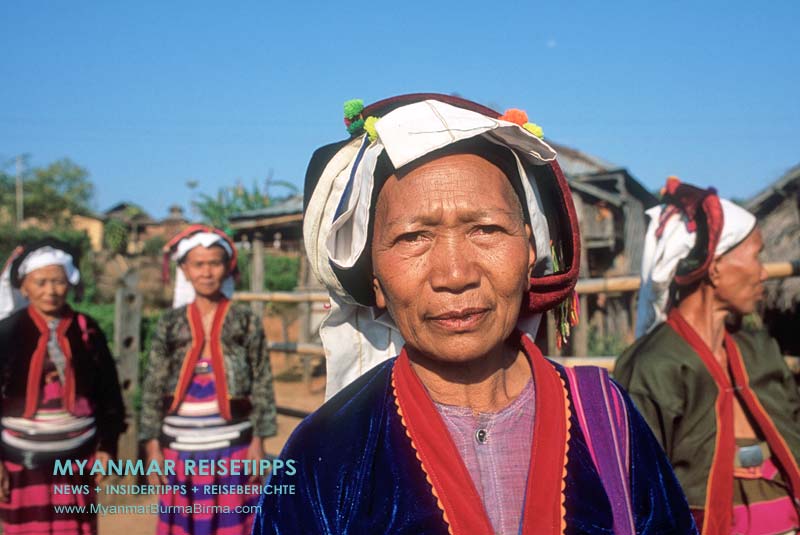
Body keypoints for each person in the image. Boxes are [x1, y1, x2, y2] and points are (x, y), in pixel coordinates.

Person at [252, 94, 696, 534]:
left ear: (528, 254)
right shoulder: (329, 447)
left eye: (486, 229)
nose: (455, 274)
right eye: (413, 238)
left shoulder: (604, 414)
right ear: (374, 280)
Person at [615, 178, 800, 534]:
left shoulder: (759, 349)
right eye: (757, 256)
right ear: (714, 268)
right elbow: (635, 487)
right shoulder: (653, 367)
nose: (764, 273)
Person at [139, 225, 277, 535]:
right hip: (179, 450)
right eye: (198, 264)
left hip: (233, 448)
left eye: (214, 263)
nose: (207, 272)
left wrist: (258, 441)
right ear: (184, 270)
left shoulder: (244, 320)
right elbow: (153, 385)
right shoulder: (170, 323)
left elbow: (261, 380)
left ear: (227, 267)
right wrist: (152, 447)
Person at [0, 238, 126, 535]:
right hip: (21, 458)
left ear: (69, 283)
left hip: (77, 457)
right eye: (40, 282)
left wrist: (107, 447)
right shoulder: (7, 333)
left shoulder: (87, 329)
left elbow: (109, 393)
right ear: (24, 286)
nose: (50, 290)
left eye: (57, 281)